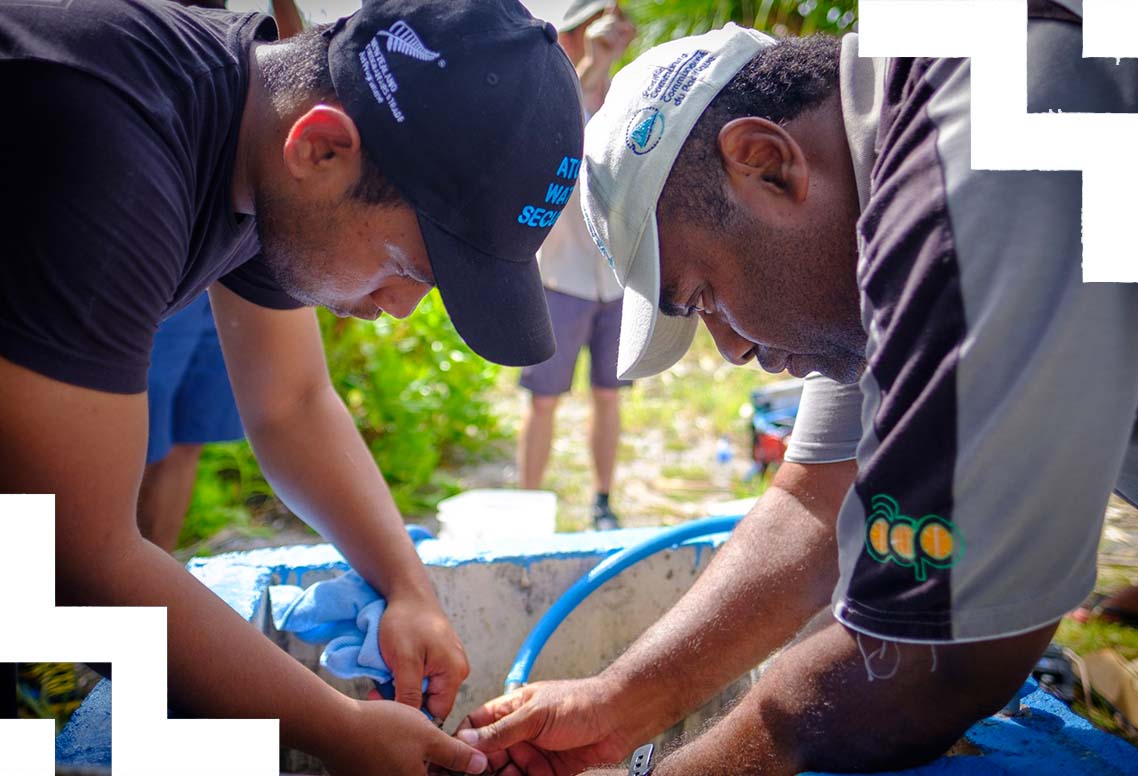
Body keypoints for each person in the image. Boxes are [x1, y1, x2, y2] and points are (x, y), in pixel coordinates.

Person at [455, 2, 1138, 774]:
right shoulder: (901, 140)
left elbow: (928, 658)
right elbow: (817, 494)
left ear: (767, 164)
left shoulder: (972, 158)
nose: (734, 349)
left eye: (706, 296)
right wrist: (617, 704)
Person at [0, 0, 583, 772]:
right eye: (409, 269)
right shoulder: (114, 145)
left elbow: (292, 402)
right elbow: (77, 553)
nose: (398, 310)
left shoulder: (255, 146)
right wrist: (339, 728)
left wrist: (407, 588)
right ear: (320, 149)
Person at [138, 0, 306, 554]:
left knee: (189, 432)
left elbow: (296, 403)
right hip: (165, 183)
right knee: (138, 434)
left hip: (248, 185)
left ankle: (153, 566)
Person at [517, 0, 635, 530]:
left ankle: (603, 502)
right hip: (559, 278)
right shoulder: (549, 93)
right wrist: (595, 63)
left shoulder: (634, 92)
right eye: (578, 33)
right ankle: (526, 508)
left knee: (609, 397)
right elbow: (565, 124)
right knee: (543, 402)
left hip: (617, 283)